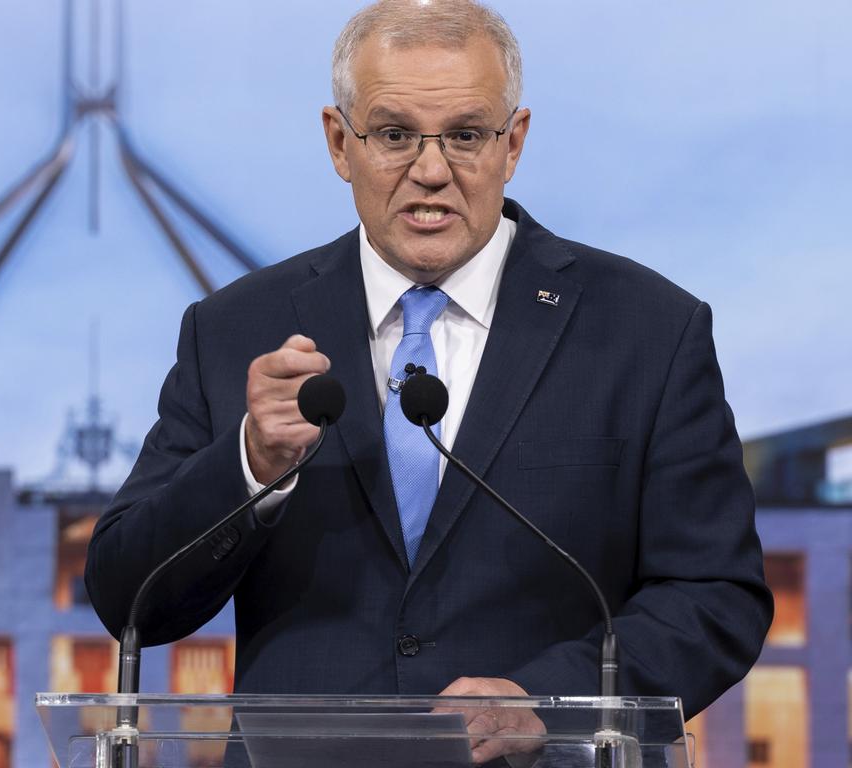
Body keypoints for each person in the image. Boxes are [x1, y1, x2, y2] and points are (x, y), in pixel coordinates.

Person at [86, 0, 772, 761]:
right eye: (393, 135)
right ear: (338, 143)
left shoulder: (646, 330)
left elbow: (716, 595)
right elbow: (127, 596)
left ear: (514, 143)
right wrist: (250, 463)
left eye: (467, 136)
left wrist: (550, 698)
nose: (432, 171)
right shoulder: (234, 330)